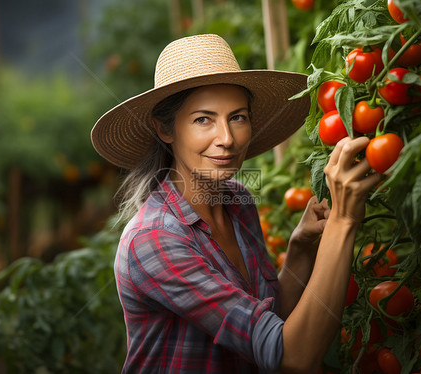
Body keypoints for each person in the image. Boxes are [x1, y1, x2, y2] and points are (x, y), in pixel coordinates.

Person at [91, 34, 381, 373]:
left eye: (238, 117)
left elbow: (267, 323)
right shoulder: (154, 239)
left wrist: (300, 249)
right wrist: (343, 221)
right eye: (203, 120)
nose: (227, 139)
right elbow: (292, 357)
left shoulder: (237, 200)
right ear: (165, 130)